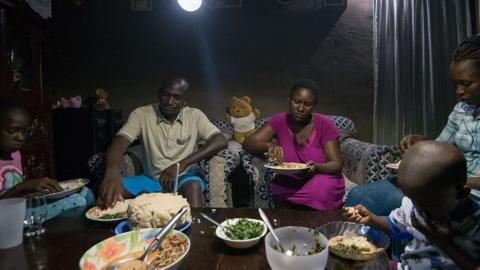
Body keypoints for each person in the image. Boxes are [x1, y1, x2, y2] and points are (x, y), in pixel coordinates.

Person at [345, 34, 480, 215]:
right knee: (358, 195)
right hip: (445, 185)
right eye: (455, 84)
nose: (459, 91)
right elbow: (442, 148)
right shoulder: (461, 110)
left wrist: (457, 182)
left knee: (391, 205)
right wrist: (422, 143)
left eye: (466, 84)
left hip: (467, 192)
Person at [344, 141, 480, 270]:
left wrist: (442, 242)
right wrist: (372, 219)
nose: (418, 209)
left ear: (462, 193)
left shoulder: (475, 224)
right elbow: (393, 225)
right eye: (411, 199)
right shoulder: (415, 204)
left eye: (429, 204)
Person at [98, 76, 227, 208]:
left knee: (193, 188)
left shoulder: (195, 116)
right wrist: (112, 172)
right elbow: (120, 142)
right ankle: (120, 228)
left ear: (185, 101)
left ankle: (193, 228)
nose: (170, 101)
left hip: (184, 178)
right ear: (159, 94)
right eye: (166, 95)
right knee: (108, 193)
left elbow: (220, 140)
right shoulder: (141, 114)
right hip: (150, 179)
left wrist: (181, 164)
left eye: (177, 97)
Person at [244, 79, 345, 210]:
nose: (301, 108)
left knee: (320, 190)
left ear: (314, 106)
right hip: (290, 180)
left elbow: (336, 164)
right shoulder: (279, 121)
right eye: (296, 102)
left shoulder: (325, 124)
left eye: (307, 104)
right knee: (279, 188)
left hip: (319, 177)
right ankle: (290, 227)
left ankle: (315, 227)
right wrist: (269, 146)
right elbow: (248, 143)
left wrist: (318, 167)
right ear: (289, 100)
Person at [0, 99, 94, 219]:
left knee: (86, 192)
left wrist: (39, 191)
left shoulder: (15, 154)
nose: (21, 138)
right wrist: (22, 187)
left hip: (19, 207)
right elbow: (17, 190)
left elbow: (20, 195)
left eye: (25, 132)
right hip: (6, 218)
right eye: (13, 131)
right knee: (77, 201)